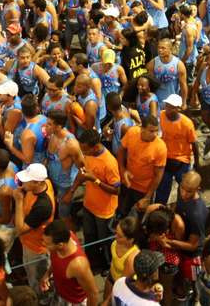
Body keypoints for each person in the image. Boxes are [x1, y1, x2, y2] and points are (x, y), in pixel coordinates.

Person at [66, 128, 120, 273]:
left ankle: (109, 266)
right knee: (90, 237)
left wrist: (94, 180)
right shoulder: (89, 155)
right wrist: (72, 190)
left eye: (85, 150)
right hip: (89, 205)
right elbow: (82, 172)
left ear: (95, 147)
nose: (83, 153)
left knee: (105, 240)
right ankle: (93, 264)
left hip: (104, 211)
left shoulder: (109, 163)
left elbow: (116, 190)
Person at [14, 162, 55, 295]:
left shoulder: (43, 206)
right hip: (28, 243)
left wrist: (18, 201)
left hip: (36, 249)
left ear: (37, 183)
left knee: (37, 281)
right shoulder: (45, 182)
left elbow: (20, 229)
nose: (23, 183)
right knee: (30, 273)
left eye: (27, 181)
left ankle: (38, 299)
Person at [41, 219, 100, 306]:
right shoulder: (65, 237)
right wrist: (47, 274)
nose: (44, 245)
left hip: (74, 302)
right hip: (61, 294)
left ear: (60, 245)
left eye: (48, 244)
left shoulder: (78, 265)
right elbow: (56, 261)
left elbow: (93, 293)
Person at [118, 115, 167, 216]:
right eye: (151, 131)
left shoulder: (160, 147)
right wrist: (123, 170)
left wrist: (147, 197)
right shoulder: (132, 132)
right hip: (127, 182)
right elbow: (121, 150)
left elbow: (159, 175)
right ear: (142, 129)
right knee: (122, 210)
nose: (155, 134)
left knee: (138, 217)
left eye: (156, 131)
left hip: (143, 189)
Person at [155, 94, 198, 204]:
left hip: (181, 162)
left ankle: (183, 208)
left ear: (178, 109)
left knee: (185, 189)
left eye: (171, 107)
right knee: (162, 190)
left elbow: (194, 143)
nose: (168, 109)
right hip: (165, 160)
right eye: (167, 106)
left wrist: (197, 163)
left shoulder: (187, 124)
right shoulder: (161, 116)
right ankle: (160, 210)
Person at [104, 217, 140, 304]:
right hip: (111, 277)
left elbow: (122, 284)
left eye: (119, 236)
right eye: (116, 232)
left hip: (122, 286)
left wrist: (106, 302)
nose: (115, 237)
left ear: (130, 239)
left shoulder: (132, 257)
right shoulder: (116, 242)